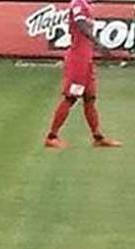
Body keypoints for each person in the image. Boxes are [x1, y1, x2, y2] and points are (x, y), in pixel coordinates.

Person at [44, 0, 122, 149]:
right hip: (78, 61)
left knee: (90, 98)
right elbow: (80, 24)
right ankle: (51, 137)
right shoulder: (78, 4)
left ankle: (98, 137)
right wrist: (98, 43)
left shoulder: (86, 5)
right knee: (71, 98)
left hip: (86, 61)